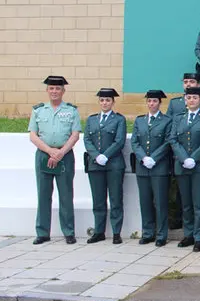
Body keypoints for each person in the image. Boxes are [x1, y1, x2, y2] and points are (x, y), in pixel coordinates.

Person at [29, 76, 81, 245]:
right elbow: (33, 135)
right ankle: (42, 232)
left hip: (65, 155)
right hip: (44, 154)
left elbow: (75, 135)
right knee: (43, 195)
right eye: (51, 88)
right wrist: (51, 151)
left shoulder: (71, 111)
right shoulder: (38, 110)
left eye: (58, 89)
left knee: (66, 195)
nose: (54, 91)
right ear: (47, 90)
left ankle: (69, 232)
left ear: (63, 91)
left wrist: (60, 153)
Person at [170, 86, 200, 252]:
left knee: (199, 203)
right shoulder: (178, 118)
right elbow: (173, 139)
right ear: (185, 100)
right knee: (186, 203)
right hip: (182, 165)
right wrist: (184, 158)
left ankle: (199, 237)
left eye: (195, 98)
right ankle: (188, 234)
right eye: (189, 98)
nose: (191, 101)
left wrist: (193, 158)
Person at [131, 90, 173, 247]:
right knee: (145, 201)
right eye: (149, 101)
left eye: (154, 101)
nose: (151, 104)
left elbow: (168, 141)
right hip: (143, 167)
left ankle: (162, 234)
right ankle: (148, 232)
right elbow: (135, 142)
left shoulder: (167, 120)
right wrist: (143, 157)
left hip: (159, 167)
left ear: (159, 103)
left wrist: (154, 158)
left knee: (160, 202)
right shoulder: (140, 120)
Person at [84, 88, 127, 244]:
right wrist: (96, 156)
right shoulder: (92, 119)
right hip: (95, 164)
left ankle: (116, 232)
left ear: (113, 102)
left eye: (108, 100)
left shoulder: (119, 120)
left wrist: (106, 155)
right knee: (98, 199)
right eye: (102, 100)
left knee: (115, 198)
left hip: (114, 164)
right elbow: (87, 140)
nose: (104, 103)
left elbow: (119, 141)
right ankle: (99, 231)